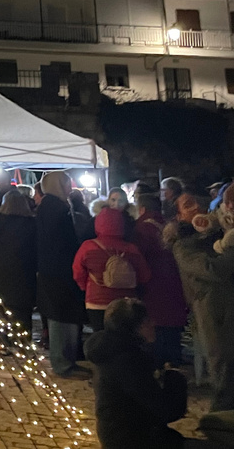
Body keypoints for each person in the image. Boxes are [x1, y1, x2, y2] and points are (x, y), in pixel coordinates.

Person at [83, 297, 201, 449]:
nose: (153, 324)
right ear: (135, 328)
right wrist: (176, 378)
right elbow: (166, 411)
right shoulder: (128, 361)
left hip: (122, 433)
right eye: (147, 321)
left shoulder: (112, 350)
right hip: (133, 439)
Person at [166, 192, 234, 412]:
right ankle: (220, 420)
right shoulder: (184, 245)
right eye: (188, 205)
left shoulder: (220, 231)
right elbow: (212, 269)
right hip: (214, 310)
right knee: (224, 368)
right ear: (179, 216)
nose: (196, 207)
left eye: (197, 201)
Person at [36, 171, 87, 378]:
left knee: (63, 316)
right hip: (59, 272)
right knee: (61, 317)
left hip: (54, 270)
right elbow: (63, 243)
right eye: (67, 184)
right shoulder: (56, 209)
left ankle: (66, 360)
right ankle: (63, 363)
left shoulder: (50, 207)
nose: (70, 188)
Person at [131, 192, 189, 365]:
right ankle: (174, 365)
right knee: (172, 331)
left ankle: (160, 365)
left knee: (156, 330)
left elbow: (138, 258)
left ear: (141, 209)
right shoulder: (170, 226)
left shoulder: (140, 229)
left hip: (152, 287)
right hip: (174, 284)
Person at [73, 206, 151, 333]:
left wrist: (85, 287)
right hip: (125, 304)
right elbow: (145, 276)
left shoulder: (88, 247)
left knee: (101, 336)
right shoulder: (132, 249)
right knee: (124, 338)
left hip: (96, 302)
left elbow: (77, 272)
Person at [0, 188, 38, 336]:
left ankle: (0, 338)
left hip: (0, 267)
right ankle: (23, 337)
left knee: (0, 304)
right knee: (22, 306)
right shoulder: (31, 222)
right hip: (25, 268)